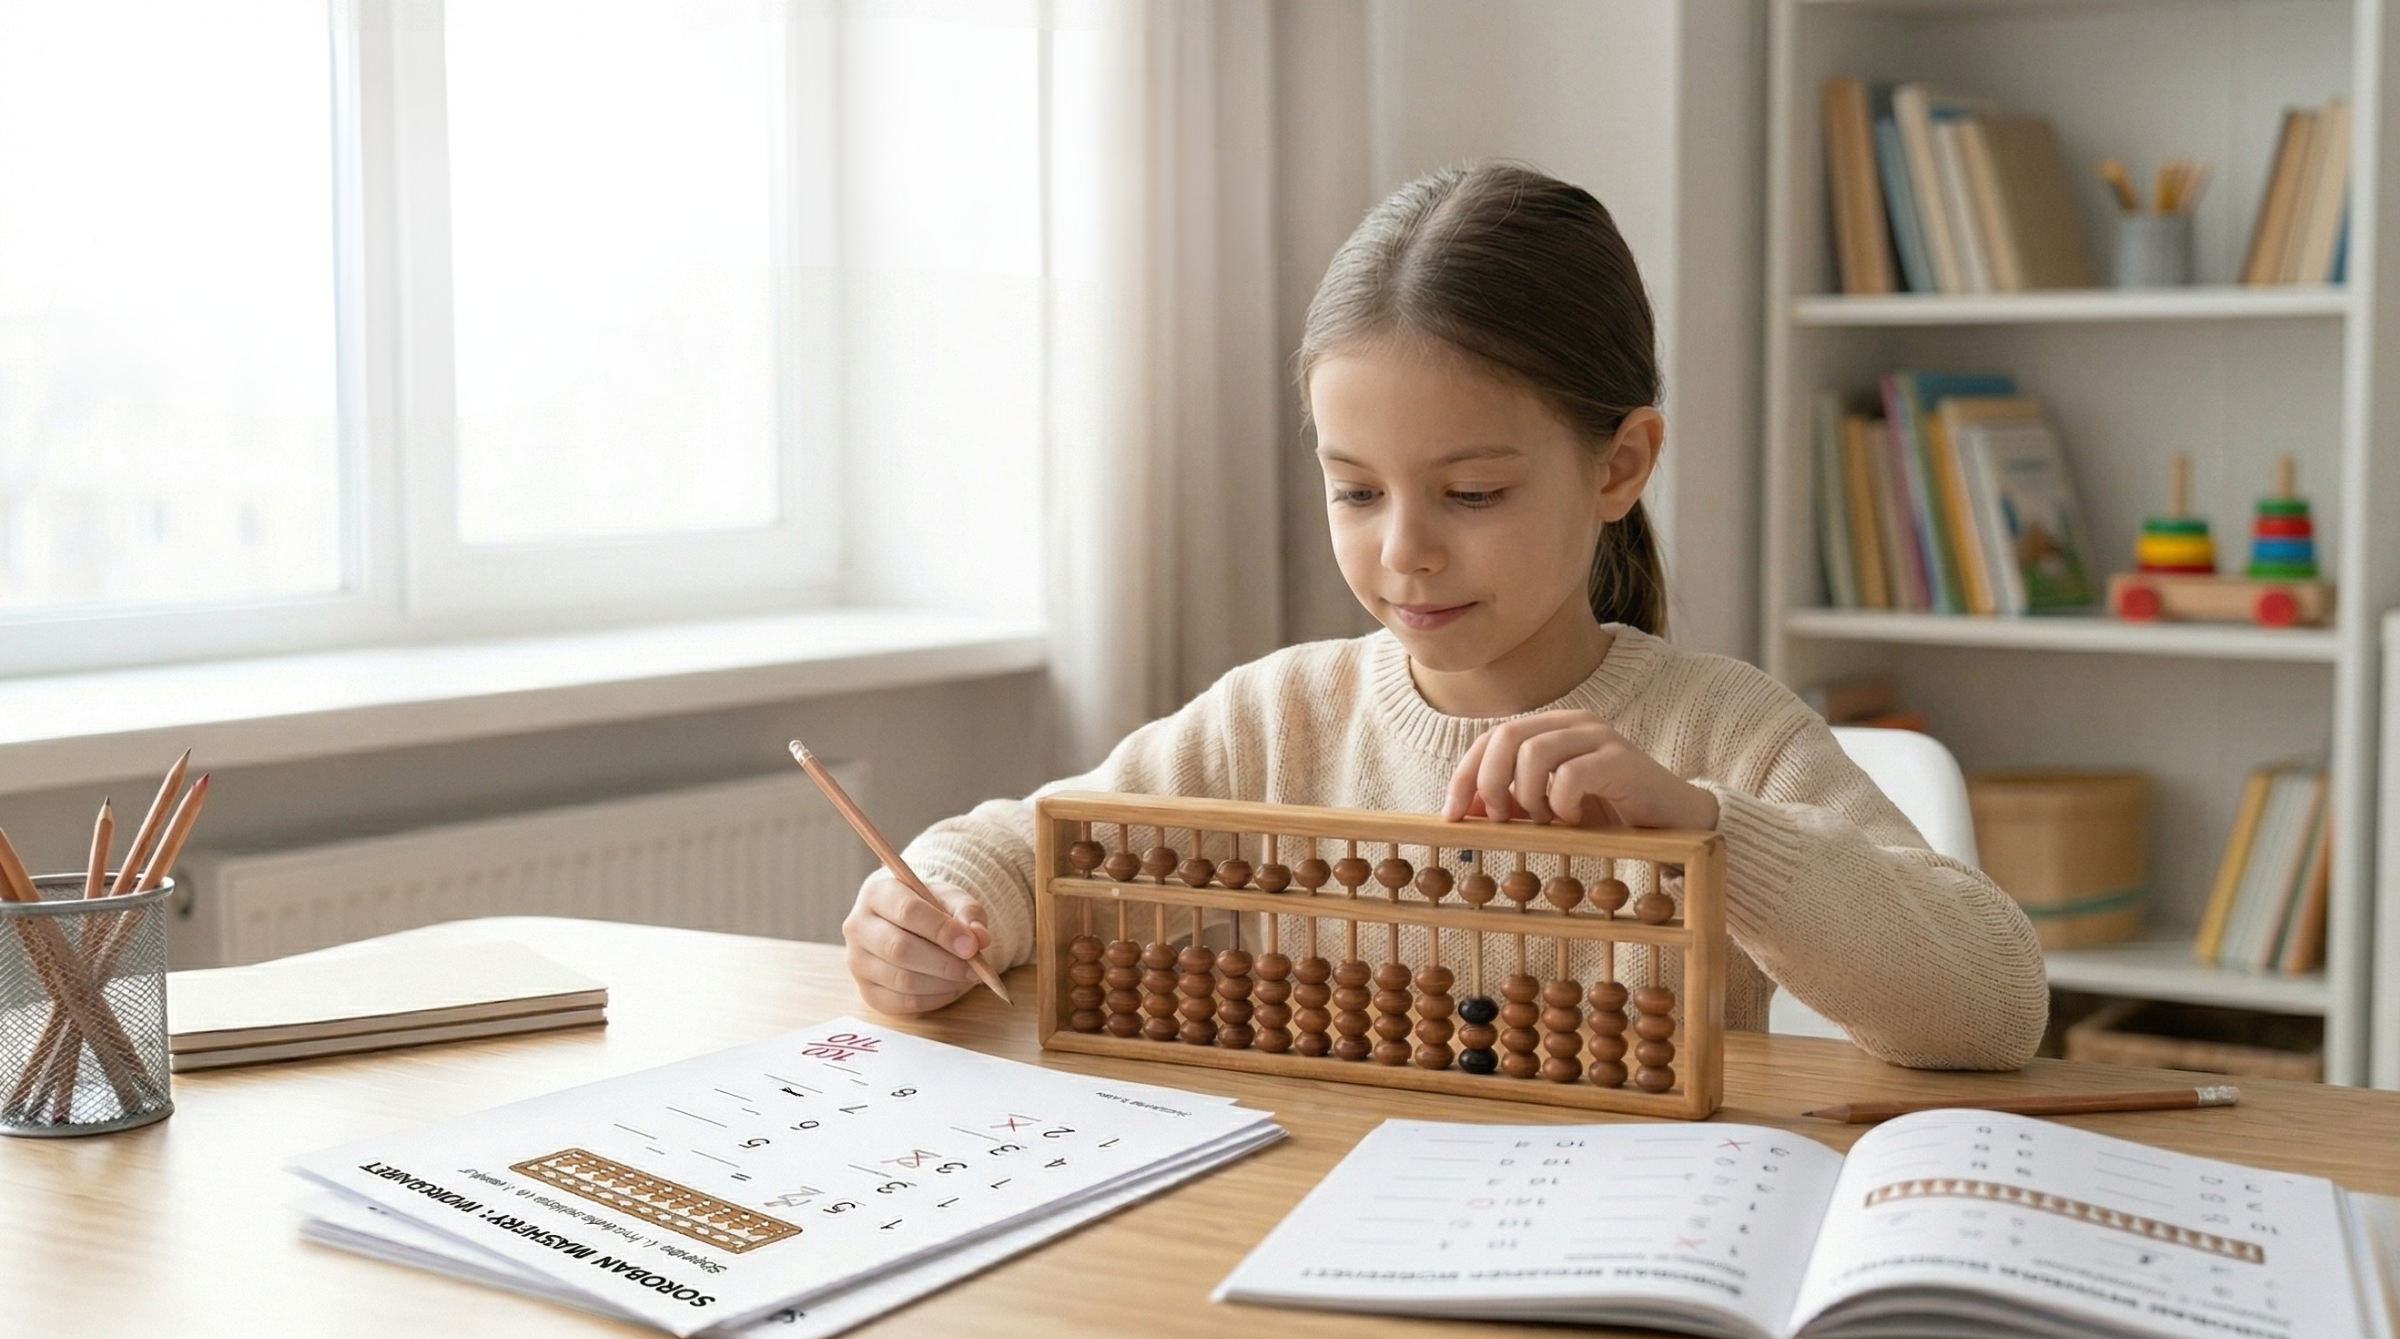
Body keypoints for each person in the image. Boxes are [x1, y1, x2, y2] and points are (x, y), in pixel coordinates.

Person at [841, 163, 2045, 1069]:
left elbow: (1994, 1005)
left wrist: (1714, 834)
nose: (1403, 550)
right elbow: (1024, 848)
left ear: (1620, 466)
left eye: (1473, 493)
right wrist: (940, 907)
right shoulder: (1278, 722)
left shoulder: (1723, 733)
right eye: (1354, 490)